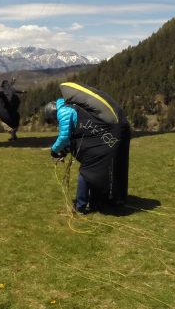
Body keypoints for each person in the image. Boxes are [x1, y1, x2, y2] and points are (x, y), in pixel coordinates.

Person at [45, 82, 127, 213]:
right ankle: (95, 203)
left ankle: (81, 206)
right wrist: (65, 150)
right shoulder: (69, 106)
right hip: (100, 141)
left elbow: (64, 136)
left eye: (53, 120)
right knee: (95, 171)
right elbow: (73, 135)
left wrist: (54, 151)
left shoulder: (63, 112)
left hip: (100, 141)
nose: (55, 123)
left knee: (86, 172)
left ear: (53, 113)